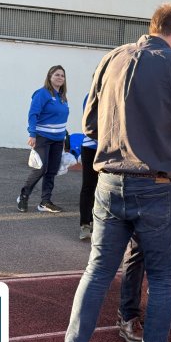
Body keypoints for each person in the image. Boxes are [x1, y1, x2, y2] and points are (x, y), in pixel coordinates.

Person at [57, 3, 171, 342]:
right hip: (156, 186)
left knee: (96, 273)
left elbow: (89, 123)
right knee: (161, 281)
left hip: (108, 183)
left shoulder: (113, 57)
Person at [17, 65, 70, 213]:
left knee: (52, 171)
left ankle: (45, 202)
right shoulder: (42, 94)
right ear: (49, 77)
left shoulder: (62, 97)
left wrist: (65, 137)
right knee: (41, 168)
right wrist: (32, 134)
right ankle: (23, 196)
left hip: (58, 139)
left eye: (62, 76)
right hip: (42, 137)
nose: (60, 77)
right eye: (56, 75)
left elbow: (59, 117)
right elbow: (33, 114)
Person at [79, 93, 97, 240]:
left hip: (110, 150)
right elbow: (88, 124)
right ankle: (85, 224)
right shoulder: (91, 96)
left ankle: (98, 224)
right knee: (89, 186)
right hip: (91, 148)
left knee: (105, 189)